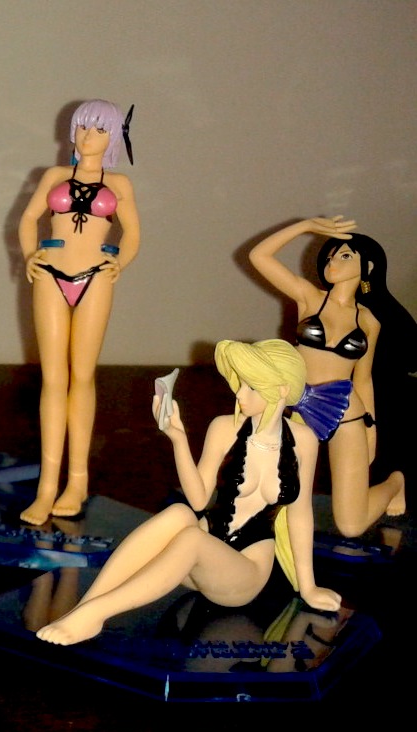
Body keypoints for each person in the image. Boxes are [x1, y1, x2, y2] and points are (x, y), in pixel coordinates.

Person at [37, 339, 340, 646]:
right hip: (194, 562)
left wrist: (308, 587)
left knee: (192, 538)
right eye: (240, 383)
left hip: (241, 574)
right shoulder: (223, 427)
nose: (240, 394)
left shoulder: (303, 440)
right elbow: (198, 500)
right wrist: (178, 439)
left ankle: (96, 613)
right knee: (179, 513)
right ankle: (85, 607)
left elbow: (300, 515)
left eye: (251, 386)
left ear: (282, 390)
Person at [18, 99, 141, 524]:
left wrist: (119, 262)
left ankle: (77, 480)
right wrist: (29, 255)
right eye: (84, 127)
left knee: (83, 376)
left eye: (100, 129)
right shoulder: (54, 176)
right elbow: (29, 218)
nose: (89, 136)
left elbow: (133, 233)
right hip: (50, 273)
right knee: (53, 379)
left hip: (95, 278)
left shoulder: (120, 183)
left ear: (114, 137)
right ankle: (46, 486)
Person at [248, 217, 408, 537]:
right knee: (271, 503)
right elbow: (258, 256)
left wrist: (371, 430)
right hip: (298, 406)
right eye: (331, 255)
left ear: (368, 267)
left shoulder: (369, 321)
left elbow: (363, 379)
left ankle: (394, 483)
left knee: (351, 525)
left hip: (346, 412)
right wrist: (305, 226)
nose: (333, 261)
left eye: (345, 255)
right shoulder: (309, 296)